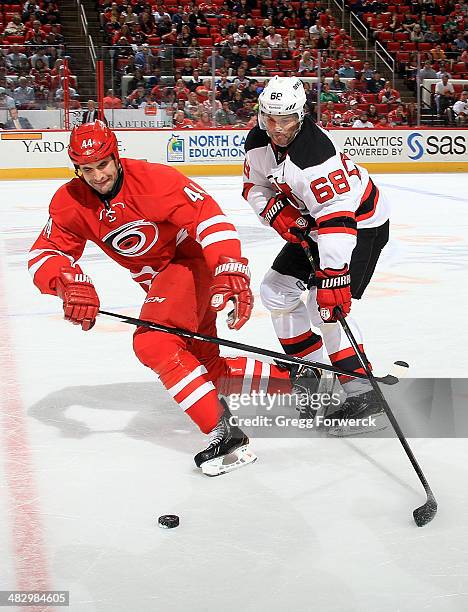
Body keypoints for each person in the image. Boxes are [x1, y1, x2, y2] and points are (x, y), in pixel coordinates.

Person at [28, 121, 315, 475]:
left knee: (153, 343)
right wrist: (67, 282)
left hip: (190, 265)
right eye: (87, 169)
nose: (97, 175)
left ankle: (226, 437)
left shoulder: (153, 181)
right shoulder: (71, 201)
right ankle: (303, 383)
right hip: (163, 285)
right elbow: (44, 254)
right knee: (207, 368)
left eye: (102, 164)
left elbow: (208, 217)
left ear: (115, 156)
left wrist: (229, 266)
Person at [242, 77, 390, 436]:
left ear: (301, 115)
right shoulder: (257, 141)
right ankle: (308, 368)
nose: (277, 129)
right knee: (275, 290)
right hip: (314, 222)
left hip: (359, 226)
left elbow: (339, 221)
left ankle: (364, 392)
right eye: (270, 119)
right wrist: (276, 213)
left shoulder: (316, 156)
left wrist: (334, 278)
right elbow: (254, 187)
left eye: (287, 120)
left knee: (324, 307)